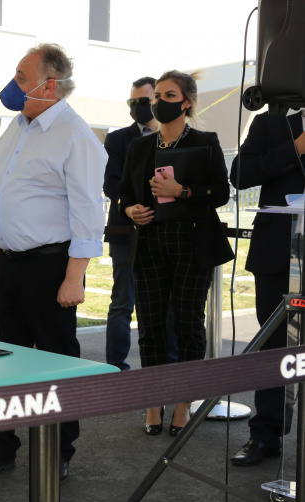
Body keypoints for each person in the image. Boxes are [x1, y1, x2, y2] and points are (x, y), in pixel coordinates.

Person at [0, 43, 106, 482]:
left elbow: (89, 212)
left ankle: (58, 448)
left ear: (49, 85)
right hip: (10, 263)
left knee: (55, 361)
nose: (13, 84)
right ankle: (3, 444)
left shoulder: (75, 135)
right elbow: (9, 189)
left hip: (51, 269)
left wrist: (75, 277)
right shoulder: (17, 126)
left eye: (21, 76)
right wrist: (2, 240)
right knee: (7, 359)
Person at [118, 70, 233, 436]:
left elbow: (220, 193)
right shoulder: (140, 147)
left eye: (169, 96)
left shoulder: (205, 142)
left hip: (192, 244)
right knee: (150, 327)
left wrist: (182, 190)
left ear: (186, 102)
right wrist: (129, 210)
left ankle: (183, 403)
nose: (160, 103)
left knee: (187, 325)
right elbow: (124, 194)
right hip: (149, 243)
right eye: (158, 97)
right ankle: (154, 403)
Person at [228, 108, 305, 465]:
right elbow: (240, 174)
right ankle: (265, 436)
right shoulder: (271, 121)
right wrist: (296, 149)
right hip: (277, 253)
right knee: (273, 347)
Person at [103, 78, 180, 371]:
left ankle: (166, 367)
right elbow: (111, 183)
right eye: (132, 103)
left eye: (144, 102)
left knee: (167, 306)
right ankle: (115, 367)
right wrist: (130, 207)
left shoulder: (172, 136)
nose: (138, 108)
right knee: (122, 302)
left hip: (166, 232)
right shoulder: (117, 139)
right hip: (126, 231)